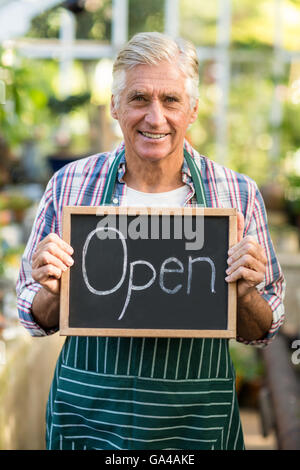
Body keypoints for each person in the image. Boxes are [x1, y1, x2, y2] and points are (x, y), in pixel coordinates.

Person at [16, 32, 285, 451]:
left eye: (171, 100)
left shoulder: (237, 194)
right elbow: (37, 317)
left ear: (193, 109)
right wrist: (51, 290)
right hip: (90, 416)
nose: (155, 118)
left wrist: (247, 295)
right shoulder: (70, 185)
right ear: (114, 106)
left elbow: (261, 330)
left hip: (196, 421)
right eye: (139, 98)